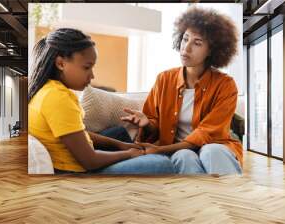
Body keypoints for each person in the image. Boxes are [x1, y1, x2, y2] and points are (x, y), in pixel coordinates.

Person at [28, 28, 175, 175]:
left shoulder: (47, 89)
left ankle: (136, 157)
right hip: (77, 172)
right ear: (61, 63)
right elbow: (90, 161)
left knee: (118, 133)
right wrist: (128, 154)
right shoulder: (58, 98)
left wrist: (121, 145)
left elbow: (77, 134)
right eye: (87, 67)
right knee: (162, 164)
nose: (92, 75)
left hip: (78, 158)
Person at [121, 7, 243, 175]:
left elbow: (206, 134)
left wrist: (160, 150)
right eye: (185, 39)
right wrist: (147, 123)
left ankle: (229, 198)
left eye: (197, 43)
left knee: (210, 151)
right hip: (179, 150)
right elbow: (155, 123)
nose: (186, 48)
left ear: (212, 51)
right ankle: (200, 200)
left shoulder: (226, 85)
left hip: (215, 147)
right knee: (183, 156)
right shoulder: (164, 79)